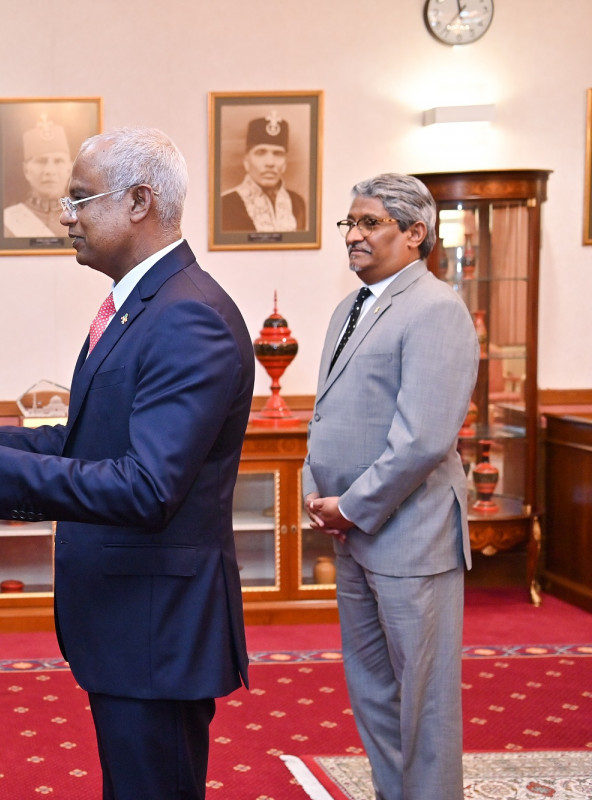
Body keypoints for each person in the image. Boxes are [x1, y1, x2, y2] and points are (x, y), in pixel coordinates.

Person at [0, 127, 253, 799]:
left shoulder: (187, 317)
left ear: (140, 202)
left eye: (80, 200)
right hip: (130, 620)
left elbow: (148, 488)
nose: (66, 217)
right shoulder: (140, 306)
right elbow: (89, 442)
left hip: (157, 624)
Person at [303, 173, 479, 800]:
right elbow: (327, 412)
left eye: (368, 223)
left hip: (410, 535)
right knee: (373, 688)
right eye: (348, 223)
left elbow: (424, 440)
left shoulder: (436, 309)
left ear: (414, 234)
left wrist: (351, 506)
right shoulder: (350, 307)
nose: (352, 235)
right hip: (354, 535)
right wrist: (312, 483)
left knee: (423, 702)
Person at [219, 112, 306, 232]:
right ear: (246, 161)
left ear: (285, 163)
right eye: (260, 153)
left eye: (278, 153)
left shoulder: (297, 203)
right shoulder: (224, 204)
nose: (270, 162)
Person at [2, 115, 74, 239]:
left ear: (69, 169)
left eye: (58, 161)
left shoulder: (83, 218)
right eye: (41, 161)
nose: (49, 171)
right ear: (26, 170)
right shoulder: (7, 220)